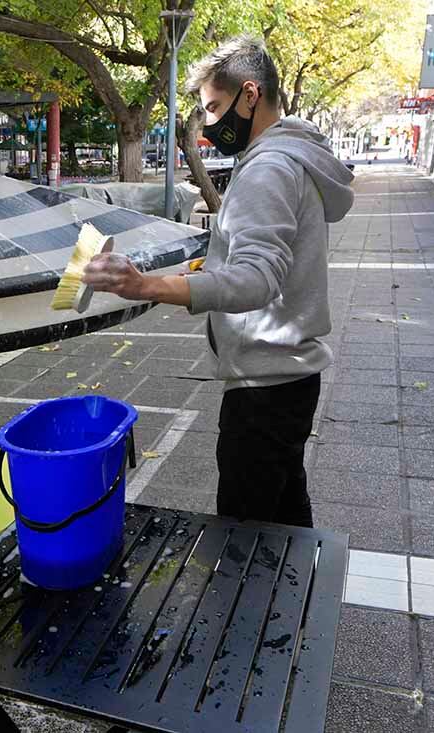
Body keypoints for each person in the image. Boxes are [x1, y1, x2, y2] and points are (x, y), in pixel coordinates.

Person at [81, 36, 354, 529]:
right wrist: (203, 267)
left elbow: (258, 278)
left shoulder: (267, 168)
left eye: (214, 108)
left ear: (250, 95)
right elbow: (272, 259)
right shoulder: (292, 157)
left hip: (264, 389)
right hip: (289, 378)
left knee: (243, 536)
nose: (209, 125)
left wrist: (146, 287)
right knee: (286, 519)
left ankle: (260, 608)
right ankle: (301, 601)